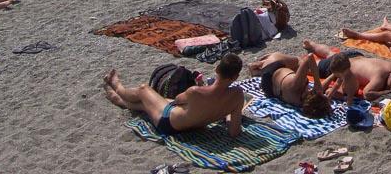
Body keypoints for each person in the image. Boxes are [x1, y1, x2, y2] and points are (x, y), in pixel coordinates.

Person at [103, 54, 245, 137]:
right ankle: (121, 101)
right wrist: (227, 113)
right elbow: (234, 132)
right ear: (236, 76)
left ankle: (117, 85)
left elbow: (177, 100)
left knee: (143, 89)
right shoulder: (238, 96)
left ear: (216, 69)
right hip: (196, 127)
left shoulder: (196, 91)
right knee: (147, 104)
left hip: (169, 125)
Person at [302, 40, 391, 100]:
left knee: (331, 54)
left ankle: (312, 45)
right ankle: (297, 58)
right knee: (310, 67)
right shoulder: (380, 77)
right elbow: (367, 94)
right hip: (344, 66)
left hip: (355, 56)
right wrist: (387, 92)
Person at [247, 51, 331, 117]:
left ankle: (259, 65)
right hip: (268, 89)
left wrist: (317, 82)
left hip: (272, 69)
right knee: (295, 67)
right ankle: (259, 69)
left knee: (298, 60)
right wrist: (333, 75)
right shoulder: (299, 103)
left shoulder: (297, 85)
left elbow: (309, 58)